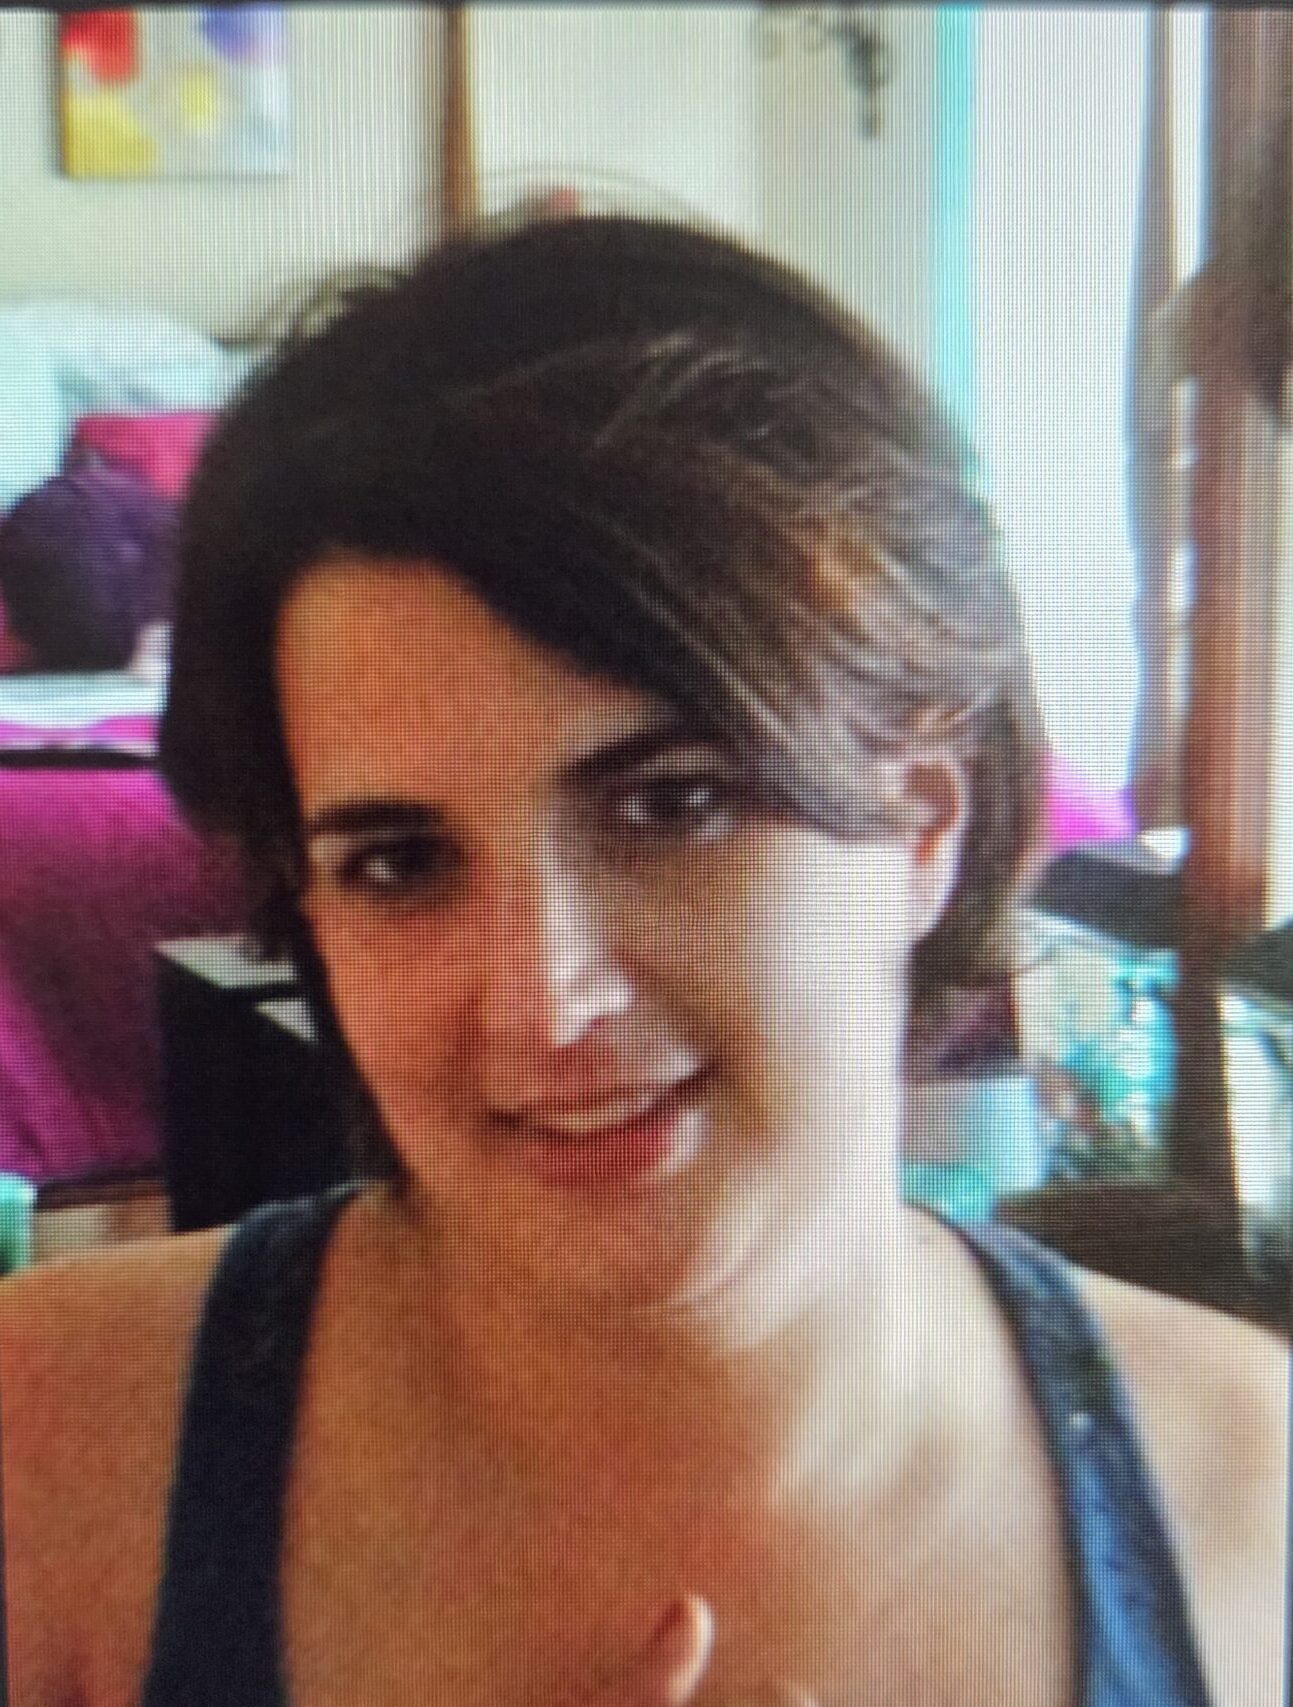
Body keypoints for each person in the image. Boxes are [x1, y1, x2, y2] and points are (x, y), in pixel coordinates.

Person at [1, 213, 1286, 1707]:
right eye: (400, 861)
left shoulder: (1252, 1510)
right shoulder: (47, 1453)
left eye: (671, 805)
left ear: (923, 819)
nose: (546, 998)